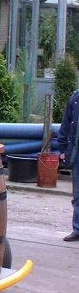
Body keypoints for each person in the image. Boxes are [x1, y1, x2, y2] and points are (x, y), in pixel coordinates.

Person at [57, 89, 79, 242]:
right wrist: (63, 148)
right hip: (77, 154)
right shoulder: (75, 97)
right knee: (78, 195)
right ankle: (77, 229)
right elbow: (66, 122)